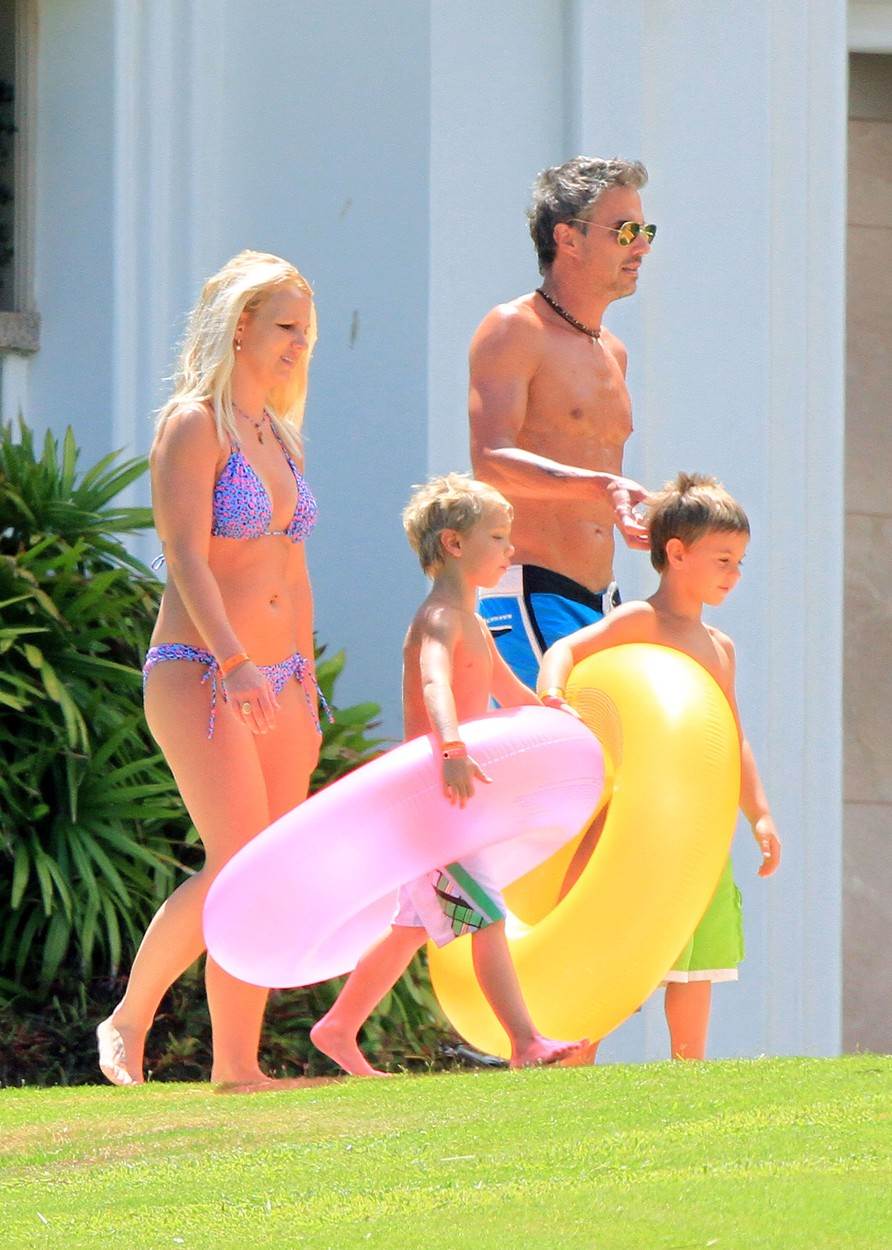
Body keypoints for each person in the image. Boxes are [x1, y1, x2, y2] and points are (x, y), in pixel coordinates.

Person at [97, 250, 329, 1088]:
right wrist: (233, 661)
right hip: (201, 667)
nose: (300, 344)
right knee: (234, 860)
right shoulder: (194, 425)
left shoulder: (281, 436)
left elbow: (292, 569)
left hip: (280, 679)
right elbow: (185, 556)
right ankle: (129, 1017)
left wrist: (304, 678)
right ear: (240, 327)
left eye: (307, 331)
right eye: (286, 327)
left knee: (264, 873)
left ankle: (237, 1067)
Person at [310, 474, 590, 1075]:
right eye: (498, 537)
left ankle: (337, 1027)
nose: (510, 549)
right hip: (433, 802)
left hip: (449, 803)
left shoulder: (476, 622)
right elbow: (435, 681)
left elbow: (510, 694)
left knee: (410, 928)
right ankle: (525, 1042)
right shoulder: (439, 617)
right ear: (455, 544)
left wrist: (556, 716)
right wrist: (453, 747)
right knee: (486, 916)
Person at [537, 473, 782, 1060]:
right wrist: (552, 694)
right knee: (612, 944)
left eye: (740, 561)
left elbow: (733, 734)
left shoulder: (720, 646)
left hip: (700, 824)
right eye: (723, 559)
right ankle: (574, 1062)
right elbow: (566, 649)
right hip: (639, 821)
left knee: (696, 955)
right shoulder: (639, 623)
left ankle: (687, 1070)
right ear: (676, 553)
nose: (734, 573)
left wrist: (760, 814)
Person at [470, 156, 655, 690]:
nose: (642, 247)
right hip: (528, 592)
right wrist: (600, 486)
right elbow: (491, 462)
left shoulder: (613, 352)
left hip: (602, 602)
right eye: (625, 232)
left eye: (646, 232)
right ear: (568, 237)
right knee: (559, 743)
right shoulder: (515, 328)